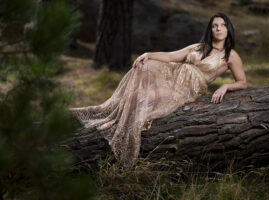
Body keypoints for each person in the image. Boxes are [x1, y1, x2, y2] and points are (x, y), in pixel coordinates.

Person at [69, 12, 247, 168]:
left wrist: (225, 86)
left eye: (223, 25)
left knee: (144, 103)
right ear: (210, 29)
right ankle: (109, 119)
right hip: (172, 76)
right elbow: (172, 56)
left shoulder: (231, 55)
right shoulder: (198, 47)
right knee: (139, 89)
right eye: (215, 25)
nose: (219, 28)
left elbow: (242, 82)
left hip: (188, 88)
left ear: (228, 28)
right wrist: (148, 54)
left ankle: (124, 144)